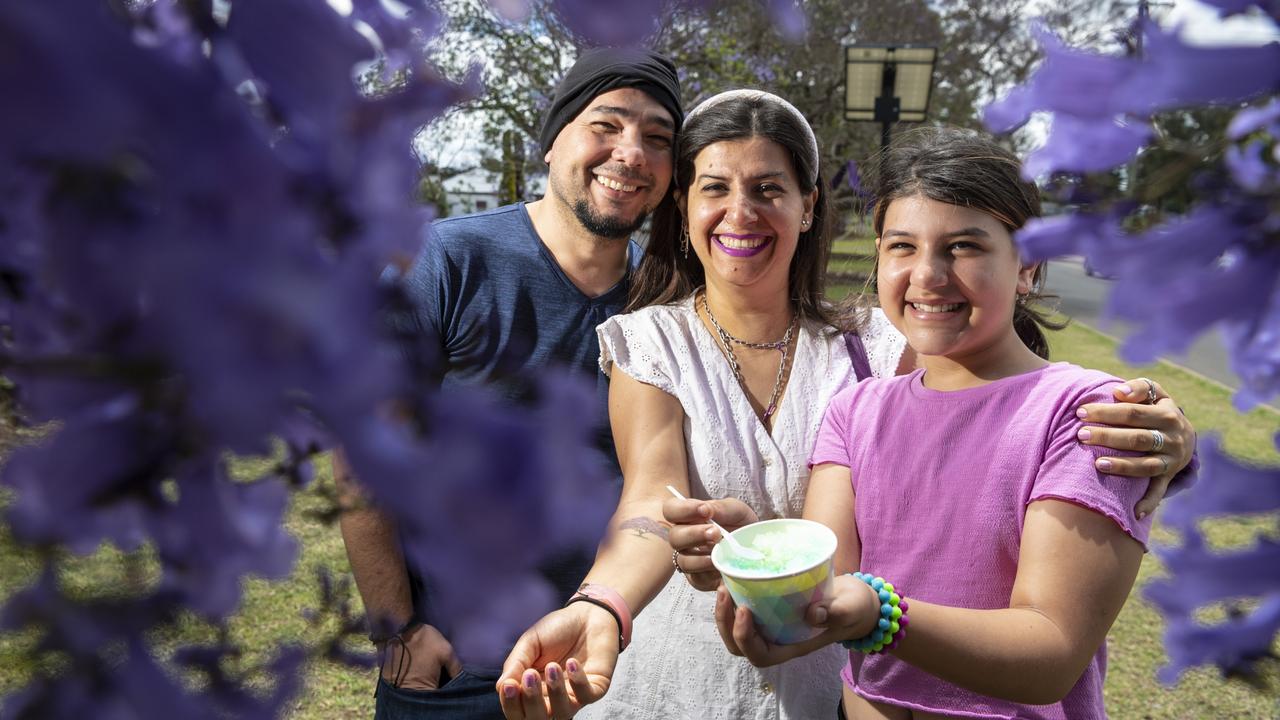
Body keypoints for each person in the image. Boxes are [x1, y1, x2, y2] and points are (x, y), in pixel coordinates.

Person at [495, 91, 1196, 720]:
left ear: (809, 206)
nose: (741, 211)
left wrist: (1168, 434)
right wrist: (603, 604)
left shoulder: (881, 345)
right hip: (689, 680)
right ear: (683, 207)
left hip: (823, 688)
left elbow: (995, 404)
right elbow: (650, 501)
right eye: (715, 188)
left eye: (770, 188)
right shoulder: (658, 343)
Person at [712, 126, 1170, 718]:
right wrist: (769, 577)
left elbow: (1051, 655)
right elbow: (829, 592)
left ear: (1027, 266)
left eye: (964, 246)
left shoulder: (1084, 415)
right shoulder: (855, 412)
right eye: (902, 246)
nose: (927, 275)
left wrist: (882, 615)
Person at [334, 47, 682, 720]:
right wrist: (397, 629)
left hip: (608, 668)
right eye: (606, 125)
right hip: (456, 669)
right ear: (552, 144)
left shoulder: (662, 299)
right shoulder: (443, 261)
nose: (632, 153)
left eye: (658, 139)